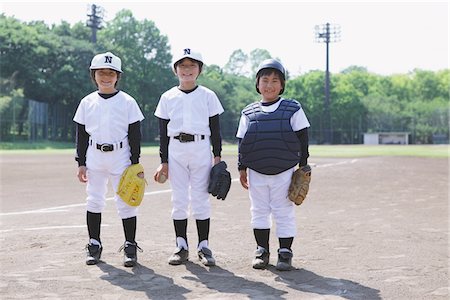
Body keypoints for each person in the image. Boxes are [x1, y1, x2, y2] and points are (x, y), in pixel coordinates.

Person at [236, 59, 310, 271]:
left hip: (284, 169)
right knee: (258, 210)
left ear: (282, 85)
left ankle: (285, 252)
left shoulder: (292, 108)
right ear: (257, 84)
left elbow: (303, 137)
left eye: (275, 80)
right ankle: (262, 250)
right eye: (265, 80)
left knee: (283, 210)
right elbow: (243, 142)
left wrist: (302, 166)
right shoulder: (248, 113)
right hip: (256, 170)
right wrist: (241, 167)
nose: (269, 85)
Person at [153, 48, 224, 266]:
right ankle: (181, 245)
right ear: (175, 70)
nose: (187, 70)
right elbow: (163, 133)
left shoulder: (208, 95)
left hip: (201, 147)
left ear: (199, 70)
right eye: (182, 65)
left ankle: (203, 246)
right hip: (176, 149)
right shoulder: (167, 97)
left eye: (192, 65)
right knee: (179, 198)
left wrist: (218, 156)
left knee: (201, 198)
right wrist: (163, 161)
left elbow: (216, 128)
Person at [73, 51, 145, 267]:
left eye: (111, 73)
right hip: (95, 155)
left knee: (126, 202)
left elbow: (135, 134)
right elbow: (81, 135)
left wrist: (135, 163)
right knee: (94, 199)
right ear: (93, 75)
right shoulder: (87, 102)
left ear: (117, 76)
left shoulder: (127, 101)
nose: (106, 77)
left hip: (121, 156)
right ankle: (94, 244)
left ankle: (130, 245)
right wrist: (81, 162)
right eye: (101, 73)